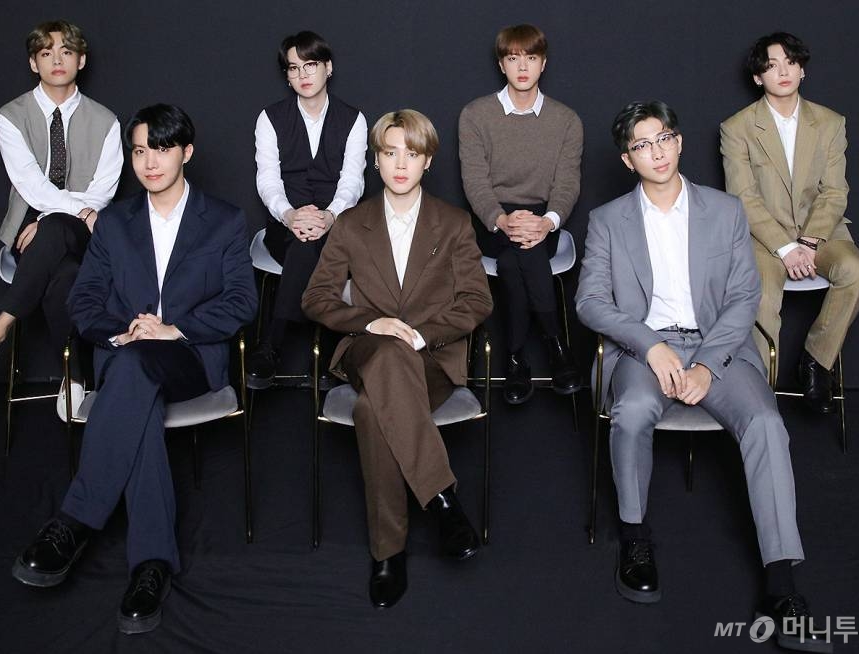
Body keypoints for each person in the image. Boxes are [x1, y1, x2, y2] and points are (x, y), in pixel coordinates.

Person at [576, 101, 830, 653]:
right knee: (633, 411)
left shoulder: (725, 210)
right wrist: (651, 346)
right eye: (642, 145)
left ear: (680, 142)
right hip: (645, 348)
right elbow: (590, 302)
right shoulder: (607, 220)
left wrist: (706, 364)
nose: (657, 151)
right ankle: (635, 538)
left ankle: (781, 585)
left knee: (766, 423)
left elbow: (744, 296)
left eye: (664, 137)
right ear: (627, 159)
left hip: (719, 348)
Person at [10, 104, 257, 634]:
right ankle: (152, 564)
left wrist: (174, 329)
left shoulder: (225, 219)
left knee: (133, 373)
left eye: (161, 149)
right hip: (127, 353)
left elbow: (242, 302)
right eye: (140, 151)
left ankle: (75, 520)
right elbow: (84, 300)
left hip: (190, 357)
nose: (149, 162)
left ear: (187, 153)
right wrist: (122, 332)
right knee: (134, 383)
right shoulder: (115, 224)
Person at [303, 110, 492, 609]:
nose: (400, 164)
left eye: (412, 153)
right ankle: (443, 499)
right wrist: (372, 323)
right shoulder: (350, 224)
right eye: (390, 153)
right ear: (376, 160)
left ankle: (388, 553)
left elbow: (477, 301)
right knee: (387, 355)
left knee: (372, 411)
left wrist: (421, 336)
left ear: (428, 161)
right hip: (366, 350)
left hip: (432, 359)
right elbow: (316, 298)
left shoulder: (454, 223)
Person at [0, 20, 122, 419]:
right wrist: (55, 215)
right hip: (29, 231)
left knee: (55, 230)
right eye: (46, 53)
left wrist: (53, 218)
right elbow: (30, 184)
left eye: (66, 51)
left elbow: (103, 191)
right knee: (65, 273)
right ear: (34, 63)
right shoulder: (10, 116)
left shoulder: (107, 121)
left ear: (81, 60)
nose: (56, 60)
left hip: (85, 230)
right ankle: (76, 376)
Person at [721, 32, 859, 413]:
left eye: (791, 62)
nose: (783, 71)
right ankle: (758, 388)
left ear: (802, 70)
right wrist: (786, 247)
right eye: (772, 66)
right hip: (763, 237)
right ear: (758, 78)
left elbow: (835, 191)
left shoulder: (831, 122)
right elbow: (743, 197)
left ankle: (816, 361)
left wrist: (809, 242)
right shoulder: (736, 128)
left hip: (822, 232)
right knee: (761, 294)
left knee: (856, 270)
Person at [458, 23, 583, 405]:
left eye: (531, 57)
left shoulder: (566, 120)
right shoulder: (476, 115)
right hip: (492, 220)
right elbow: (475, 182)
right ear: (502, 65)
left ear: (543, 63)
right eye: (513, 58)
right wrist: (501, 220)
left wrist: (547, 222)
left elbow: (567, 184)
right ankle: (557, 346)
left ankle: (514, 359)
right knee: (519, 255)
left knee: (516, 263)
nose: (523, 66)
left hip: (545, 219)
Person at [249, 30, 368, 389]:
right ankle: (330, 352)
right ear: (287, 76)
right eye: (293, 68)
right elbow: (268, 180)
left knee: (317, 246)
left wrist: (330, 216)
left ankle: (271, 345)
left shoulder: (354, 119)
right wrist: (290, 215)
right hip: (284, 224)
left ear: (328, 68)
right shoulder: (270, 118)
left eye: (310, 65)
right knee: (305, 246)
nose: (302, 75)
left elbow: (352, 182)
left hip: (336, 223)